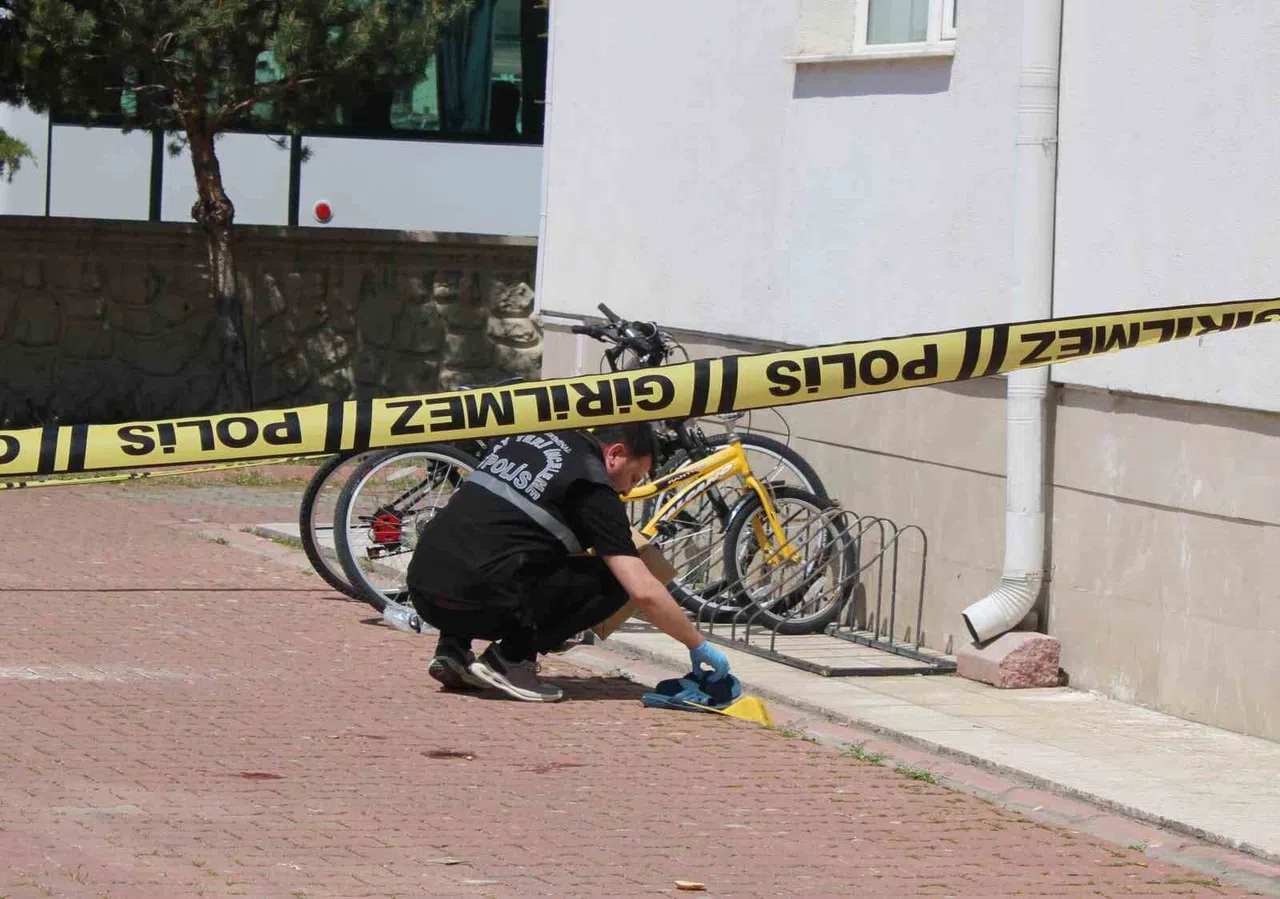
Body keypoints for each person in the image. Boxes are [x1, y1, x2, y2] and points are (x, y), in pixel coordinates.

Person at [406, 422, 731, 703]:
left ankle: (453, 649)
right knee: (616, 581)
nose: (630, 488)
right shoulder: (592, 487)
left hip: (425, 592)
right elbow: (643, 590)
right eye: (634, 476)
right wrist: (697, 645)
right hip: (478, 601)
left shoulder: (531, 439)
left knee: (499, 540)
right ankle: (511, 660)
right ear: (615, 454)